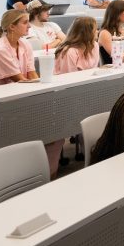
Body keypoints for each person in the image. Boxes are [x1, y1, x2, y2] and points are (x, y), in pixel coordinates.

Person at [44, 17, 100, 177]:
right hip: (64, 97)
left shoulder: (94, 46)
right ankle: (50, 172)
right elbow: (70, 81)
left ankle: (94, 156)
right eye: (95, 29)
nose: (97, 32)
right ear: (86, 32)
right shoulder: (69, 51)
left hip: (86, 93)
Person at [0, 9, 38, 86]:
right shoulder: (0, 49)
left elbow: (32, 74)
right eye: (25, 22)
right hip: (2, 95)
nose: (29, 26)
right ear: (12, 27)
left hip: (19, 89)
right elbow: (20, 80)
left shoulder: (25, 44)